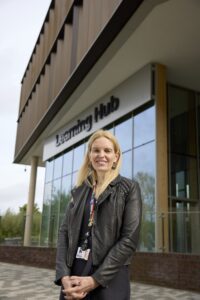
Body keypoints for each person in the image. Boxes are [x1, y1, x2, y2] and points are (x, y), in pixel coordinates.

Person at [55, 129, 142, 300]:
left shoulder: (129, 189)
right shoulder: (79, 192)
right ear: (89, 155)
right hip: (74, 276)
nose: (101, 155)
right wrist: (64, 276)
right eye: (96, 150)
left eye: (107, 151)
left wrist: (95, 280)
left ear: (116, 157)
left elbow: (129, 239)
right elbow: (64, 234)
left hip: (109, 278)